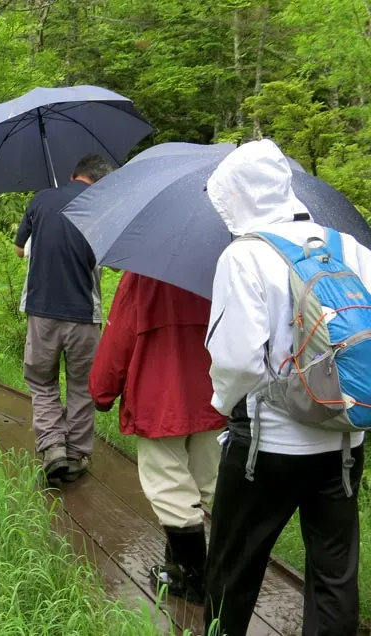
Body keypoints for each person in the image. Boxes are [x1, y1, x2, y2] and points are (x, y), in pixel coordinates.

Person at [203, 139, 369, 635]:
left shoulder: (244, 256)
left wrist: (222, 405)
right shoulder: (349, 247)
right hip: (345, 440)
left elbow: (238, 364)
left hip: (267, 447)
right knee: (335, 574)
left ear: (235, 197)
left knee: (234, 568)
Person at [89, 272, 224, 604]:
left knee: (169, 490)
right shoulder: (224, 268)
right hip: (215, 393)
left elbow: (120, 335)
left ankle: (197, 584)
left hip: (160, 398)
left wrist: (102, 392)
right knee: (202, 483)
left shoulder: (143, 274)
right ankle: (178, 567)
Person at [16, 154, 110, 483]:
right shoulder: (102, 207)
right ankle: (76, 455)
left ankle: (53, 447)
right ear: (98, 181)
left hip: (41, 311)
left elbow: (19, 249)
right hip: (84, 314)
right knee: (82, 387)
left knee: (42, 382)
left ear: (74, 175)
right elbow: (111, 259)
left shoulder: (42, 200)